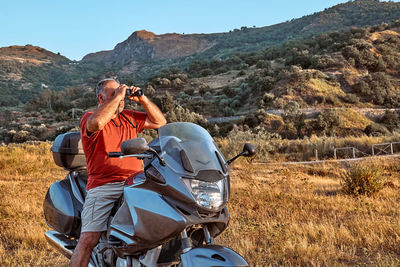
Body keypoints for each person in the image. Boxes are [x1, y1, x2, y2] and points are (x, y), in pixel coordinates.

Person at [70, 78, 166, 267]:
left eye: (121, 95)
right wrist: (119, 95)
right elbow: (97, 123)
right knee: (88, 239)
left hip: (136, 181)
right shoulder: (89, 117)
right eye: (113, 94)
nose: (121, 99)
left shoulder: (129, 117)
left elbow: (160, 122)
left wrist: (143, 99)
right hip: (104, 185)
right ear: (101, 97)